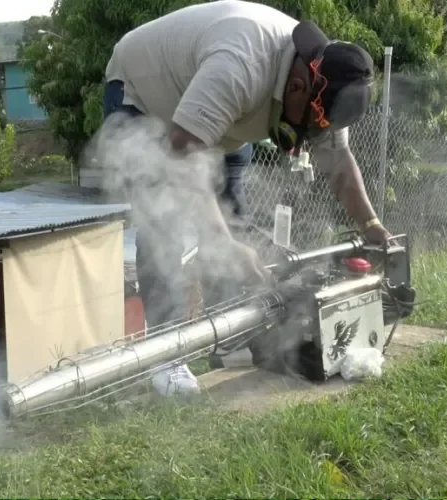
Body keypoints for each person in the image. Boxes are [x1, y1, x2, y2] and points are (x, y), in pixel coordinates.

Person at [100, 0, 393, 396]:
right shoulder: (241, 67)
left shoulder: (324, 84)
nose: (309, 138)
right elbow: (182, 151)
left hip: (212, 116)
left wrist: (370, 225)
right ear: (296, 86)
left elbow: (339, 160)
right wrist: (219, 239)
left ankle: (231, 335)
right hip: (144, 95)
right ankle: (166, 354)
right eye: (308, 126)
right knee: (164, 221)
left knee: (231, 218)